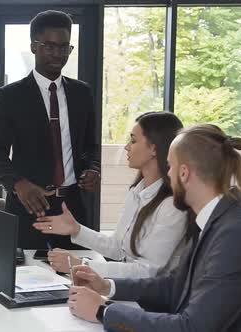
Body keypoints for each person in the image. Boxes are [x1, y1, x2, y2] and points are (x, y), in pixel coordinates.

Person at [67, 124, 241, 331]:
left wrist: (103, 312)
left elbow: (191, 327)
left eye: (169, 166)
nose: (166, 175)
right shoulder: (219, 219)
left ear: (184, 173)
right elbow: (175, 287)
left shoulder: (237, 234)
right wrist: (106, 286)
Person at [0, 10, 101, 249]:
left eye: (64, 47)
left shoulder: (82, 93)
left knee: (75, 280)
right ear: (33, 46)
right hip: (29, 207)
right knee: (25, 279)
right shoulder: (11, 96)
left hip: (73, 208)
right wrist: (18, 184)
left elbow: (91, 145)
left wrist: (93, 168)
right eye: (49, 46)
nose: (57, 54)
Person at [33, 112, 193, 278]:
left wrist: (80, 266)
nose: (127, 146)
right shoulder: (137, 191)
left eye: (133, 140)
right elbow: (118, 248)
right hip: (126, 290)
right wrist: (77, 229)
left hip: (149, 300)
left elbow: (147, 272)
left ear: (154, 148)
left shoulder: (172, 205)